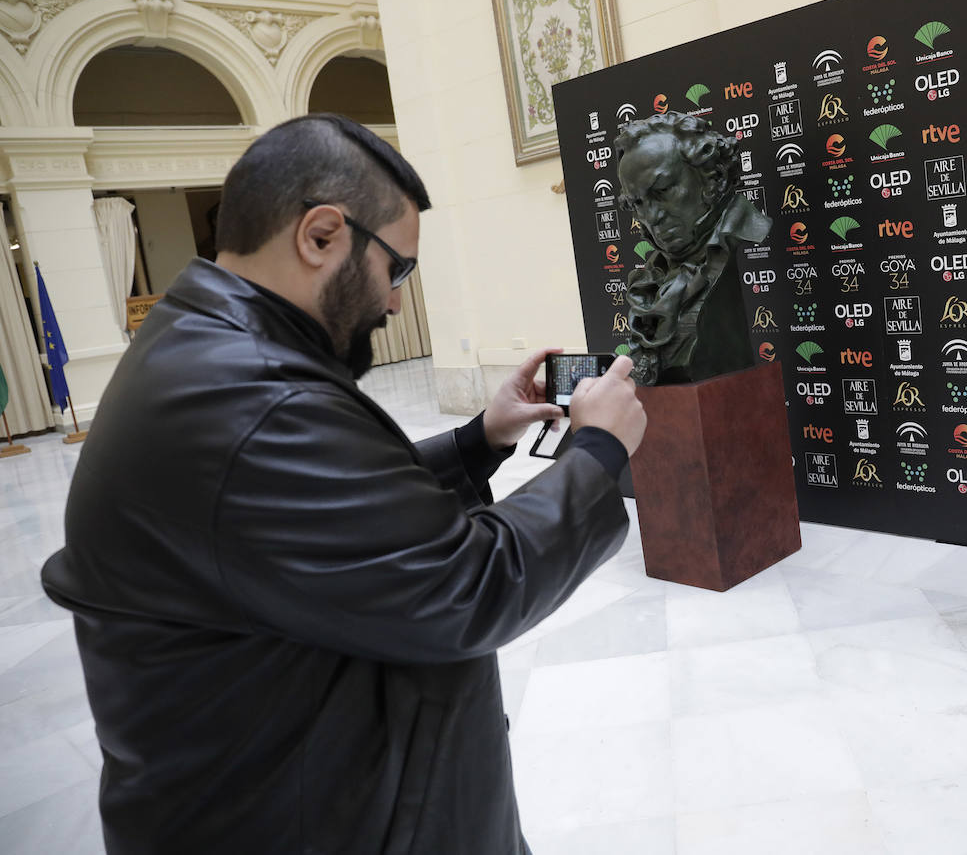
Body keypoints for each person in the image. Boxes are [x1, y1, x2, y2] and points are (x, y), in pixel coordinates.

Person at [40, 113, 646, 854]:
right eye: (399, 269)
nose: (395, 302)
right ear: (321, 235)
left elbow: (328, 524)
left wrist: (475, 441)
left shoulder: (206, 349)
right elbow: (467, 586)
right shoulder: (254, 398)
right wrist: (597, 452)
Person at [615, 111, 771, 384]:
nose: (651, 217)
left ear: (714, 177)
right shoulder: (651, 279)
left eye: (662, 191)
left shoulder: (736, 243)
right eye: (637, 203)